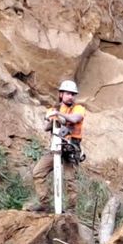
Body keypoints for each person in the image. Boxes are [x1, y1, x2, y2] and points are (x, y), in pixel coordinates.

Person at [32, 79, 87, 212]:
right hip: (56, 146)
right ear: (61, 94)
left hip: (71, 148)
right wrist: (51, 118)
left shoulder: (78, 108)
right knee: (38, 172)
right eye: (68, 93)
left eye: (73, 94)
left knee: (70, 180)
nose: (71, 97)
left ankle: (71, 210)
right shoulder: (54, 109)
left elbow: (74, 119)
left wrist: (58, 115)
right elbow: (46, 127)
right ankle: (45, 203)